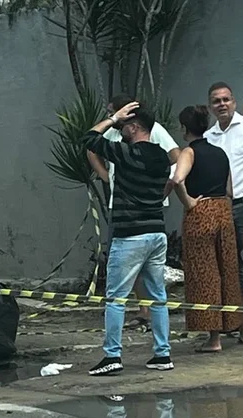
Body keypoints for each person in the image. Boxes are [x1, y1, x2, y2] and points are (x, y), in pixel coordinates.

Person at [81, 101, 174, 376]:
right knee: (158, 296)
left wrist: (112, 118)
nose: (121, 130)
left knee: (116, 298)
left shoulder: (126, 153)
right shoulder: (161, 156)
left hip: (129, 235)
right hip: (157, 232)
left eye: (124, 126)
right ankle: (162, 353)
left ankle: (112, 356)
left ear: (134, 127)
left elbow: (88, 139)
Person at [166, 105, 241, 352]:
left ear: (184, 128)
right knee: (227, 270)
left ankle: (214, 339)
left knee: (204, 273)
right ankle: (233, 323)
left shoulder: (189, 152)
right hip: (223, 210)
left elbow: (177, 179)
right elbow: (230, 190)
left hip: (201, 212)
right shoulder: (220, 153)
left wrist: (187, 202)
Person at [204, 82, 243, 314]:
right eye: (217, 101)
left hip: (242, 203)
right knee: (228, 264)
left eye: (225, 99)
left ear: (234, 101)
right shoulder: (209, 137)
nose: (222, 104)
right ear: (210, 107)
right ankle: (237, 321)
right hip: (219, 207)